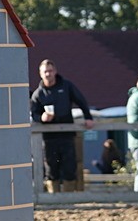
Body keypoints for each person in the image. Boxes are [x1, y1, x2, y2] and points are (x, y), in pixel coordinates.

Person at [29, 59, 94, 192]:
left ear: (55, 72)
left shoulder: (66, 86)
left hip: (67, 135)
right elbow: (34, 114)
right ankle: (54, 197)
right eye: (45, 71)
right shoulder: (38, 94)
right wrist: (42, 117)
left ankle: (68, 196)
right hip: (49, 138)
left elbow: (81, 101)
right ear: (40, 74)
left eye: (50, 71)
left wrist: (88, 117)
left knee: (70, 166)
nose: (48, 74)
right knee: (51, 168)